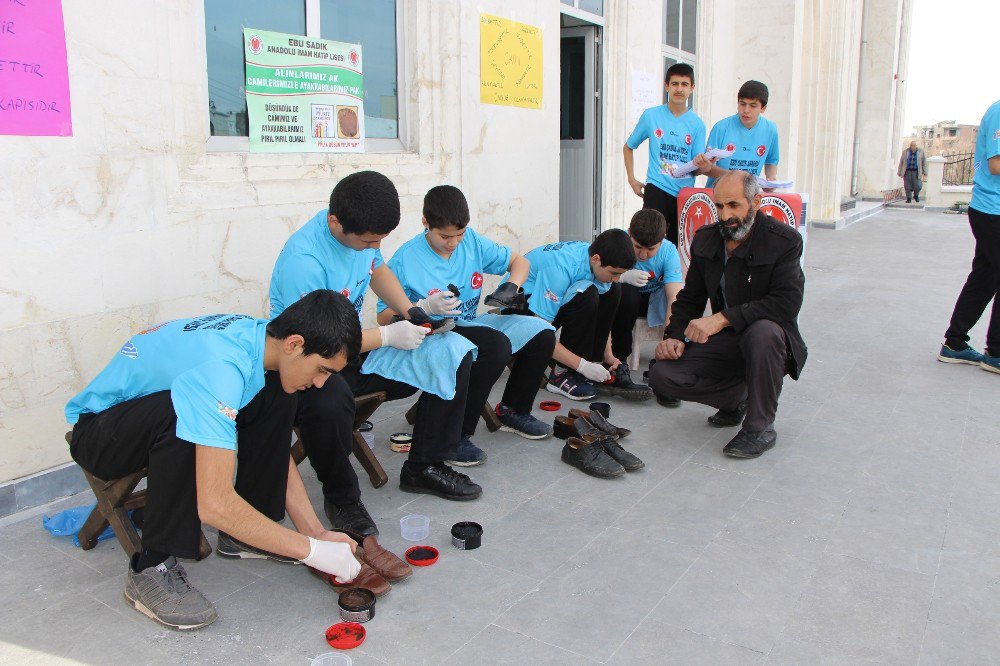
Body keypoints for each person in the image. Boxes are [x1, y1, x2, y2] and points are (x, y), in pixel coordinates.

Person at [65, 290, 364, 630]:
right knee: (184, 417)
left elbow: (277, 451)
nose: (321, 382)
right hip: (101, 433)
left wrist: (316, 534)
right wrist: (310, 551)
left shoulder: (265, 340)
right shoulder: (221, 370)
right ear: (295, 343)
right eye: (322, 370)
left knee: (279, 392)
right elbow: (214, 505)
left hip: (149, 413)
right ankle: (151, 567)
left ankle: (246, 533)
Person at [270, 171, 483, 533]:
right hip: (308, 367)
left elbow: (377, 269)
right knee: (331, 399)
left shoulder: (362, 234)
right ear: (335, 222)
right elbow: (318, 345)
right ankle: (342, 499)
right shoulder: (304, 261)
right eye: (369, 241)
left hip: (354, 350)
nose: (374, 247)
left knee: (451, 349)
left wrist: (412, 310)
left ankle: (424, 466)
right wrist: (386, 336)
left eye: (379, 241)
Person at [376, 185, 556, 447]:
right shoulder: (405, 258)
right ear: (425, 223)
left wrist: (511, 286)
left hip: (471, 323)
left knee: (542, 333)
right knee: (494, 346)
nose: (454, 243)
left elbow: (520, 261)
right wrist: (423, 306)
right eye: (445, 236)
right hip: (435, 333)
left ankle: (513, 411)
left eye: (459, 234)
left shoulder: (471, 241)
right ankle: (454, 435)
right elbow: (382, 316)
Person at [648, 171, 806, 459]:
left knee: (764, 332)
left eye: (734, 205)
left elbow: (786, 303)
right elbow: (690, 298)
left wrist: (720, 318)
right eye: (719, 207)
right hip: (726, 342)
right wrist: (673, 337)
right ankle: (737, 399)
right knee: (662, 375)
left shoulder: (784, 241)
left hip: (768, 342)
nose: (725, 215)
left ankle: (760, 426)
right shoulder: (707, 240)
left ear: (756, 202)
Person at [518, 229, 636, 401]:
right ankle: (561, 374)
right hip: (520, 305)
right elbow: (539, 333)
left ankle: (595, 363)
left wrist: (607, 355)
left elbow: (604, 310)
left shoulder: (593, 257)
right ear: (596, 259)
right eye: (614, 273)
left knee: (614, 290)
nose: (617, 278)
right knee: (586, 294)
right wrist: (581, 365)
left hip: (549, 299)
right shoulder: (560, 269)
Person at [938, 99, 1000, 374]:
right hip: (993, 211)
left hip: (991, 211)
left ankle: (955, 343)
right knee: (987, 277)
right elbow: (996, 164)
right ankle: (996, 353)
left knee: (985, 279)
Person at [623, 62, 707, 246]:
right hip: (656, 188)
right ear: (666, 85)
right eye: (675, 84)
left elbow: (697, 169)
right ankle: (645, 275)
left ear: (692, 88)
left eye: (684, 85)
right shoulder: (651, 116)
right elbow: (628, 146)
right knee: (648, 240)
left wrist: (703, 164)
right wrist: (631, 179)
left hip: (683, 193)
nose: (679, 89)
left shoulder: (697, 124)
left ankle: (670, 276)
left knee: (675, 246)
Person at [608, 209, 683, 401]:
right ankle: (619, 361)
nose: (643, 255)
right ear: (629, 234)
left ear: (662, 240)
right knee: (628, 293)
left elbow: (674, 295)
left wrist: (668, 339)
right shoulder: (618, 242)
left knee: (681, 299)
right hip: (621, 301)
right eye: (638, 247)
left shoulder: (668, 251)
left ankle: (666, 365)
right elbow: (599, 278)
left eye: (651, 249)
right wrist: (622, 276)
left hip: (653, 300)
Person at [696, 80, 780, 188]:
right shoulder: (721, 128)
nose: (746, 110)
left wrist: (771, 179)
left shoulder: (771, 130)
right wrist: (738, 178)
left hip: (748, 197)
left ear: (763, 108)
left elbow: (771, 160)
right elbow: (706, 168)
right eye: (742, 104)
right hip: (719, 194)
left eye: (753, 106)